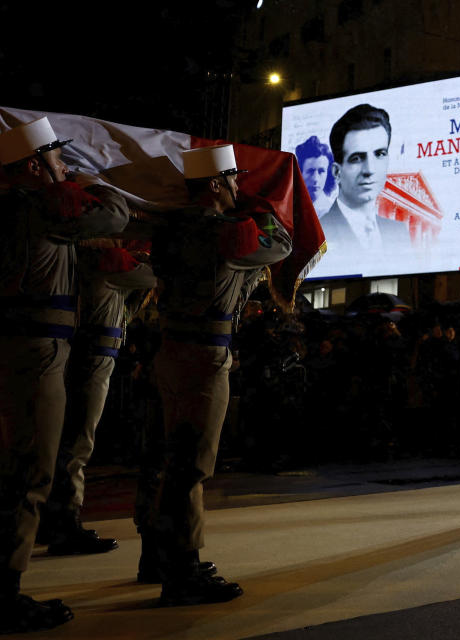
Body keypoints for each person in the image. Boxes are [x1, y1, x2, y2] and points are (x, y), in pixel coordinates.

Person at [0, 117, 130, 634]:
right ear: (36, 166)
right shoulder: (41, 206)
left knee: (16, 469)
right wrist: (94, 183)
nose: (67, 169)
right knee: (25, 471)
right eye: (60, 160)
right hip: (34, 349)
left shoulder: (18, 208)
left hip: (23, 344)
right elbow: (115, 213)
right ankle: (0, 594)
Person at [140, 144, 291, 606]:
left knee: (168, 459)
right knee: (190, 463)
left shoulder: (171, 227)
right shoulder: (226, 234)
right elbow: (281, 241)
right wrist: (259, 206)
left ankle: (162, 556)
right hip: (203, 356)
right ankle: (180, 572)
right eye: (231, 181)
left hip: (174, 349)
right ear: (214, 185)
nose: (237, 188)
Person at [42, 244, 156, 555]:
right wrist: (145, 259)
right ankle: (64, 521)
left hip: (83, 348)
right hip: (95, 353)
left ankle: (54, 517)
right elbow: (154, 277)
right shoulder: (107, 260)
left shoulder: (83, 256)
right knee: (78, 441)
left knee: (67, 440)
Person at [321, 104, 409, 260]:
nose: (370, 169)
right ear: (336, 172)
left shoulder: (398, 231)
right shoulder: (319, 233)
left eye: (380, 154)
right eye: (356, 158)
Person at [294, 135, 336, 216]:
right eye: (310, 171)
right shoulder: (292, 208)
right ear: (300, 173)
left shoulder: (331, 212)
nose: (315, 179)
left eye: (321, 171)